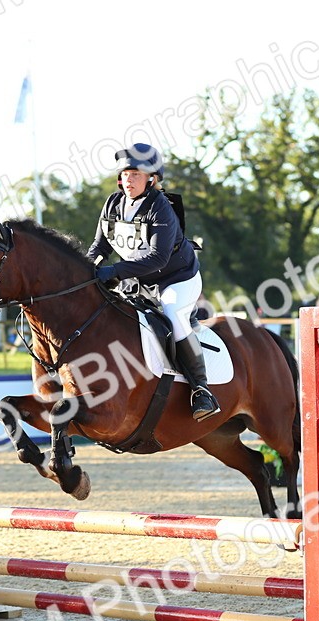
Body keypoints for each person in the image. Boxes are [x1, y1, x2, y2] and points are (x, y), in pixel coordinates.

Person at [87, 143, 220, 421]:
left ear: (152, 179)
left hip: (176, 280)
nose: (129, 179)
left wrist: (113, 272)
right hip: (135, 281)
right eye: (125, 174)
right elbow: (99, 248)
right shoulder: (112, 204)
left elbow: (157, 258)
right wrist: (87, 271)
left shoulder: (160, 208)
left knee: (173, 315)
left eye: (136, 174)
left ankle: (201, 390)